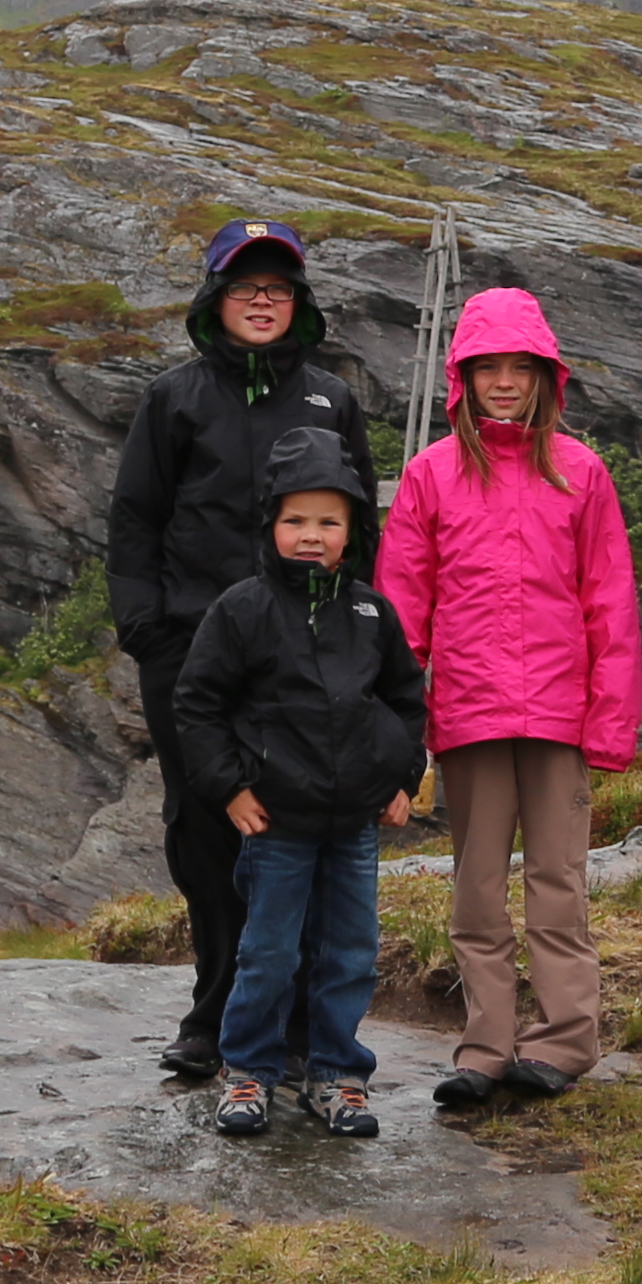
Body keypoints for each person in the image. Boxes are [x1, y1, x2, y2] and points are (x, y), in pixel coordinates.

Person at [105, 220, 374, 1083]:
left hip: (303, 657)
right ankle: (215, 1011)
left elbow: (358, 528)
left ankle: (295, 1022)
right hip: (189, 654)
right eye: (245, 285)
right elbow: (135, 519)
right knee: (206, 830)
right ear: (214, 298)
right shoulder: (173, 398)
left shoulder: (333, 399)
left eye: (279, 287)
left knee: (297, 827)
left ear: (299, 303)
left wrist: (350, 632)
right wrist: (145, 631)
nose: (263, 300)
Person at [375, 283, 642, 1115]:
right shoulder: (430, 476)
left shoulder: (583, 472)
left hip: (560, 715)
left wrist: (610, 721)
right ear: (461, 376)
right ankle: (484, 1047)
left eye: (517, 368)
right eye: (485, 367)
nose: (502, 382)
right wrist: (397, 730)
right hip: (468, 715)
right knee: (477, 887)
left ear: (544, 377)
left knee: (559, 882)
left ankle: (565, 1041)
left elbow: (610, 601)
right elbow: (401, 609)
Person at [169, 428, 429, 1140]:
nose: (311, 536)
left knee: (348, 950)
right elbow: (197, 705)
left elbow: (407, 701)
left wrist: (404, 775)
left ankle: (338, 1074)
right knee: (270, 952)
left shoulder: (373, 613)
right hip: (276, 822)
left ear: (352, 532)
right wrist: (229, 788)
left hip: (354, 827)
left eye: (328, 521)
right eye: (294, 520)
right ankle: (248, 1071)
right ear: (269, 525)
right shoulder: (242, 609)